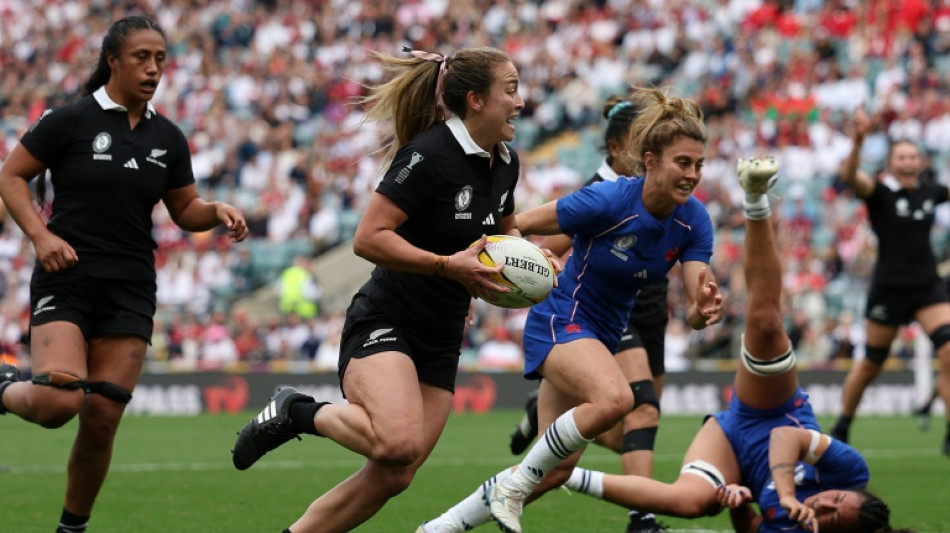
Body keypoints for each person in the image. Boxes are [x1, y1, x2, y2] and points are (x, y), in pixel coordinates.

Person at [230, 46, 529, 533]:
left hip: (443, 331)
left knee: (397, 473)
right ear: (475, 100)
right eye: (511, 90)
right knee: (396, 444)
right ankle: (296, 410)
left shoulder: (506, 161)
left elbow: (504, 230)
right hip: (387, 318)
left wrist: (534, 262)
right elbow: (367, 238)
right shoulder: (429, 153)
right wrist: (446, 266)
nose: (520, 102)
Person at [420, 87, 723, 533]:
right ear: (652, 159)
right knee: (619, 399)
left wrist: (703, 310)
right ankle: (515, 488)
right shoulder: (609, 200)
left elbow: (698, 304)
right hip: (561, 319)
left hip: (598, 337)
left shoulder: (694, 220)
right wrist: (471, 273)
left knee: (554, 470)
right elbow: (514, 225)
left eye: (699, 165)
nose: (693, 174)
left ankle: (439, 529)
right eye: (683, 162)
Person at [559, 156, 913, 533]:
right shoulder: (852, 470)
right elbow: (785, 436)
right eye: (838, 501)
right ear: (857, 493)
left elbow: (751, 527)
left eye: (830, 521)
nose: (824, 505)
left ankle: (562, 475)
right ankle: (756, 199)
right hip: (772, 411)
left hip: (727, 445)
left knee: (692, 501)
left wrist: (739, 503)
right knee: (765, 324)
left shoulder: (797, 529)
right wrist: (788, 494)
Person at [0, 15, 248, 533]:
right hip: (66, 277)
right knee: (56, 401)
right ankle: (3, 386)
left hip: (131, 287)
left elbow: (184, 209)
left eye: (160, 58)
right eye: (142, 57)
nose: (154, 68)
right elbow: (12, 175)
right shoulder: (68, 121)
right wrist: (41, 238)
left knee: (103, 418)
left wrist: (216, 210)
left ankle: (72, 528)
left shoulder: (168, 137)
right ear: (112, 60)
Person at [506, 92, 674, 533]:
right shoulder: (599, 193)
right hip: (603, 312)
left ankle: (550, 419)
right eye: (643, 142)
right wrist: (543, 268)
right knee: (641, 410)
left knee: (629, 431)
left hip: (650, 308)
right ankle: (643, 518)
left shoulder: (658, 192)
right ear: (619, 147)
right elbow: (548, 248)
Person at [829, 107, 950, 457]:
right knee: (870, 365)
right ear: (891, 162)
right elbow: (851, 177)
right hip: (889, 289)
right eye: (902, 156)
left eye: (914, 155)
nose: (909, 160)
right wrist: (858, 140)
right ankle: (843, 424)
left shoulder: (930, 191)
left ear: (921, 160)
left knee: (948, 351)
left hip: (928, 287)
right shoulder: (879, 192)